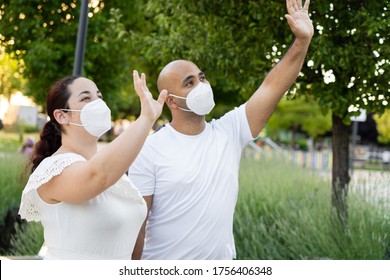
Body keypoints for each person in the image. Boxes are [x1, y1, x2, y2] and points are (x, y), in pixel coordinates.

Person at [128, 0, 314, 260]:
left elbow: (272, 87)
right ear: (170, 101)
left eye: (202, 77)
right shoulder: (149, 150)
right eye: (189, 82)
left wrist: (301, 42)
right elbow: (137, 224)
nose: (202, 85)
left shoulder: (229, 132)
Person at [18, 71, 167, 260]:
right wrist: (146, 119)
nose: (98, 103)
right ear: (62, 116)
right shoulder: (52, 170)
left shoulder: (116, 174)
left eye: (99, 96)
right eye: (86, 98)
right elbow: (97, 176)